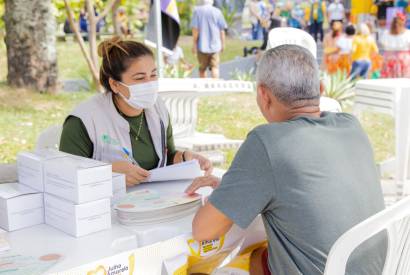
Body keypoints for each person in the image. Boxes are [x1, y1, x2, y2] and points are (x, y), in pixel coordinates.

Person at [187, 44, 387, 275]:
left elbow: (203, 230)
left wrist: (228, 196)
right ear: (320, 89)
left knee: (198, 271)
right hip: (377, 267)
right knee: (257, 257)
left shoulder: (267, 142)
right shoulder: (351, 126)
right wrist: (235, 191)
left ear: (263, 95)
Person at [59, 37, 212, 186]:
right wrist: (108, 173)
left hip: (152, 200)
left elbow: (169, 156)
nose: (149, 84)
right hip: (103, 206)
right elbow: (66, 178)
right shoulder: (84, 120)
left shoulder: (157, 108)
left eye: (153, 75)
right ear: (115, 85)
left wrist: (187, 158)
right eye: (139, 78)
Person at [191, 0, 227, 79]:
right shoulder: (217, 12)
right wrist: (223, 44)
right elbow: (222, 30)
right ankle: (215, 87)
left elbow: (195, 30)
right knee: (215, 67)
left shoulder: (197, 11)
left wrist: (194, 44)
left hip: (202, 45)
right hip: (215, 45)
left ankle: (204, 87)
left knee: (202, 69)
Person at [380, 13, 410, 78]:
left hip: (389, 58)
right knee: (403, 80)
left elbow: (382, 44)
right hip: (403, 59)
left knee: (389, 79)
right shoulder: (408, 33)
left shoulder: (386, 33)